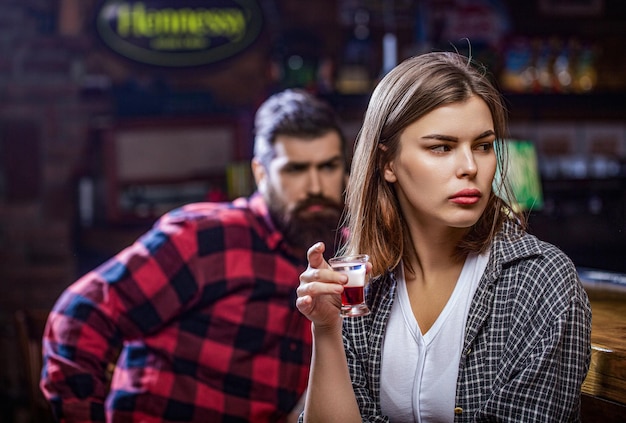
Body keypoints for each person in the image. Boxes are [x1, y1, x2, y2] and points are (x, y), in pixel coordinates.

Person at [296, 52, 592, 422]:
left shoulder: (539, 279)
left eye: (483, 146)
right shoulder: (361, 282)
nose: (470, 167)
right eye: (442, 147)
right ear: (387, 163)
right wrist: (326, 331)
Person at [40, 88, 349, 422]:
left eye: (328, 166)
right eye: (296, 170)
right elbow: (77, 316)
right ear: (261, 174)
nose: (316, 186)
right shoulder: (207, 239)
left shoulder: (348, 256)